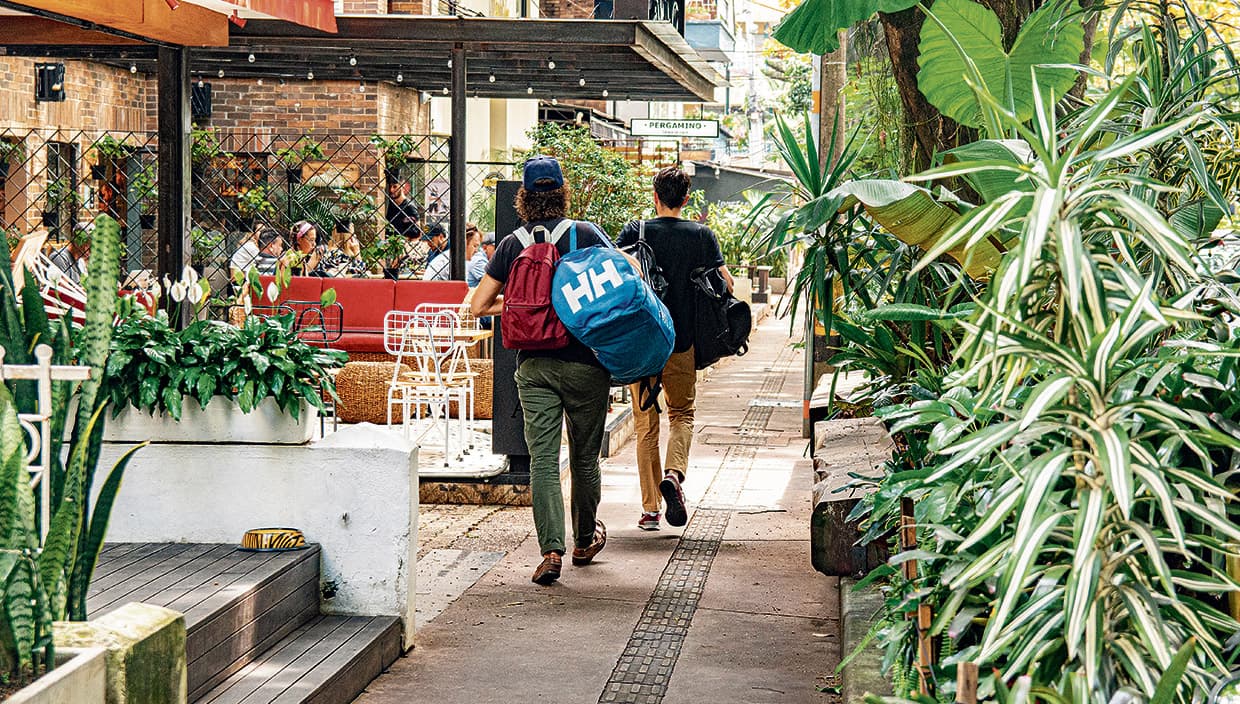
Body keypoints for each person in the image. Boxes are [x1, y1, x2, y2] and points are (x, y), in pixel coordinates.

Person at [470, 155, 612, 586]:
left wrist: (519, 309)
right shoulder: (585, 234)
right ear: (562, 192)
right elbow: (624, 284)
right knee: (585, 457)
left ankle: (551, 551)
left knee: (544, 462)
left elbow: (477, 306)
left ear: (525, 198)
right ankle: (585, 540)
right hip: (586, 363)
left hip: (534, 367)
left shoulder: (511, 245)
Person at [615, 165, 734, 532]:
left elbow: (615, 272)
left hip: (643, 342)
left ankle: (650, 510)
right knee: (682, 414)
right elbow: (725, 284)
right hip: (681, 342)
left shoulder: (636, 231)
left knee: (645, 424)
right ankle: (674, 474)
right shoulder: (702, 235)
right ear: (686, 199)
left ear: (655, 196)